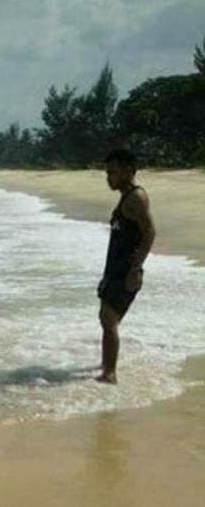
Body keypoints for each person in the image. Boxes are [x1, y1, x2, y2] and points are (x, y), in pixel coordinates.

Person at [97, 148, 155, 384]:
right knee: (107, 318)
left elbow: (150, 231)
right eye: (107, 172)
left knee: (108, 318)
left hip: (125, 269)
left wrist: (136, 268)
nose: (108, 177)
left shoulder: (136, 198)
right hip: (116, 267)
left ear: (129, 171)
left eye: (112, 172)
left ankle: (110, 374)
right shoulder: (127, 196)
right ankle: (105, 365)